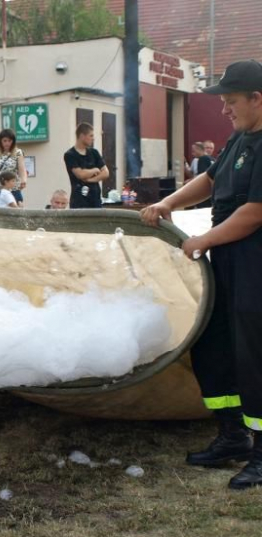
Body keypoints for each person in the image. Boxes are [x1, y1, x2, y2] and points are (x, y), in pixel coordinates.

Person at [140, 59, 262, 490]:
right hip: (227, 256)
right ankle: (233, 435)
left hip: (253, 257)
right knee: (213, 343)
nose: (225, 110)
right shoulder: (238, 140)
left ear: (256, 99)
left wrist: (204, 241)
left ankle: (261, 451)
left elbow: (254, 213)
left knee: (253, 350)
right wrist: (167, 204)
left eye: (231, 102)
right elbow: (209, 181)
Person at [64, 123, 109, 209]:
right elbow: (80, 174)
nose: (93, 138)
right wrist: (95, 170)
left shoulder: (94, 153)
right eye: (91, 135)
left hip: (95, 200)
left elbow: (106, 173)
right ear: (82, 136)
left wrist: (91, 180)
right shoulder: (70, 155)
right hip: (79, 200)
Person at [0, 129, 27, 206]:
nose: (7, 143)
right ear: (0, 141)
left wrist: (23, 180)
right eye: (5, 141)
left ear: (13, 141)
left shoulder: (18, 153)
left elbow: (21, 169)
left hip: (13, 188)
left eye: (9, 141)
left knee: (16, 211)